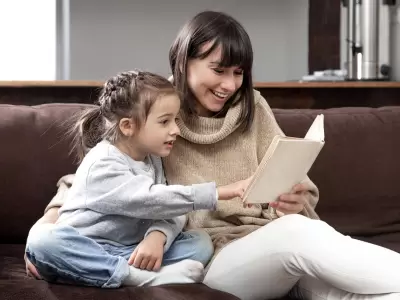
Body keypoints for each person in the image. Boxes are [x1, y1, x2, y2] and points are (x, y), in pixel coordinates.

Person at [26, 10, 400, 300]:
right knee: (299, 234)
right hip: (218, 258)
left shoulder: (253, 105)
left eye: (238, 72)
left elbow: (299, 184)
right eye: (218, 70)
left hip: (279, 248)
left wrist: (296, 196)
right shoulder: (154, 113)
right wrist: (44, 230)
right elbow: (90, 183)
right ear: (183, 61)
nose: (229, 85)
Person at [24, 70, 252, 288]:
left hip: (128, 250)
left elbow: (173, 208)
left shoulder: (152, 159)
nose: (176, 130)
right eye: (165, 122)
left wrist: (157, 236)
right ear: (127, 126)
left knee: (200, 242)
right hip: (86, 248)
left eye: (175, 120)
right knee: (43, 242)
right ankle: (135, 277)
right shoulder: (102, 162)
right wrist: (217, 192)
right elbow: (149, 198)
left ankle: (98, 273)